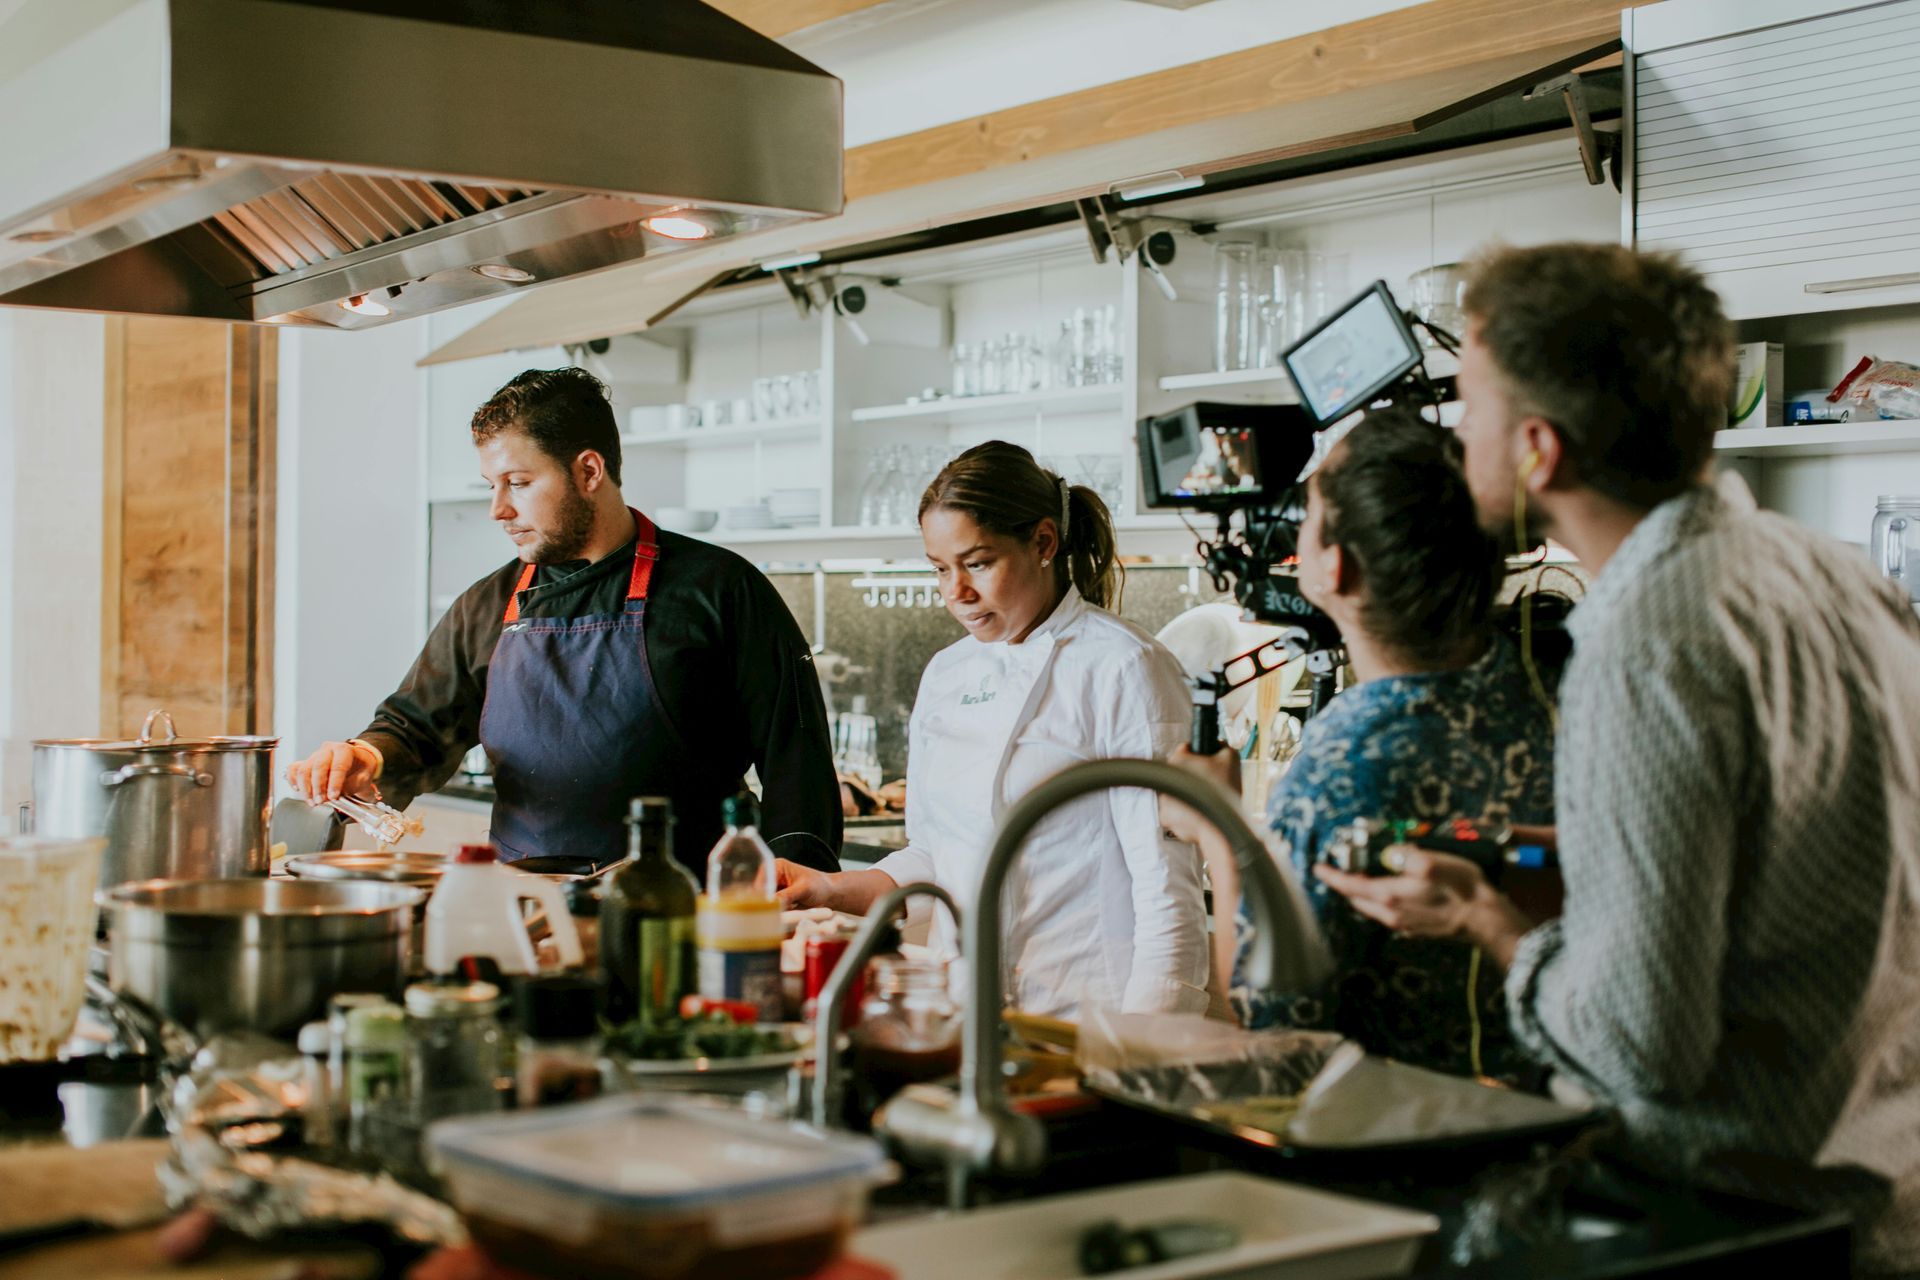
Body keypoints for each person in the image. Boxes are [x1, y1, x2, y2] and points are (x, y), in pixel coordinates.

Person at [1314, 243, 1920, 1272]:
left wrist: (1487, 919)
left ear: (1540, 449)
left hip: (1732, 1216)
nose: (1458, 434)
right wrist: (1563, 860)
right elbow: (1803, 863)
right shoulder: (1831, 570)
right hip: (1887, 1192)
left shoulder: (1645, 640)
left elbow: (1644, 1045)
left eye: (1471, 404)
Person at [288, 367, 840, 876]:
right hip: (525, 914)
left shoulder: (721, 589)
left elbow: (799, 772)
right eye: (491, 485)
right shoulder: (488, 604)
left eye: (519, 483)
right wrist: (365, 756)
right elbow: (416, 728)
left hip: (684, 911)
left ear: (588, 471)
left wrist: (798, 901)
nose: (498, 509)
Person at [1170, 408, 1554, 1084]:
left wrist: (1215, 825)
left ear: (1336, 569)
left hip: (1400, 1144)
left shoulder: (1346, 759)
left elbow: (1275, 1021)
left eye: (1307, 517)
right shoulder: (1547, 696)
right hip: (1546, 1120)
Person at [776, 442, 1210, 1019]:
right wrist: (829, 889)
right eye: (939, 568)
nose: (956, 592)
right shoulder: (948, 672)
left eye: (977, 563)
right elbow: (936, 857)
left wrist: (1147, 1048)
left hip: (1093, 1017)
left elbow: (1166, 885)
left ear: (1044, 542)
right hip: (968, 1010)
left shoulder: (1126, 667)